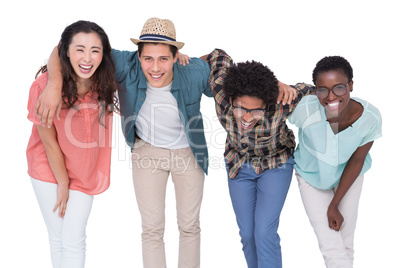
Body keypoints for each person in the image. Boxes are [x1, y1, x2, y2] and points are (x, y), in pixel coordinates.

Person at [34, 17, 212, 268]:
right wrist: (54, 83)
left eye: (164, 58)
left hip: (188, 153)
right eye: (148, 58)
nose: (155, 67)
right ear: (137, 56)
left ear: (175, 56)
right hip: (146, 152)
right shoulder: (124, 64)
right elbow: (63, 47)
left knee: (190, 226)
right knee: (151, 229)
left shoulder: (194, 71)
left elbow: (222, 67)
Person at [203, 49, 315, 268]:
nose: (246, 117)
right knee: (247, 234)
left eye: (255, 111)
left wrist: (282, 85)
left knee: (264, 231)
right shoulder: (220, 91)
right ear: (231, 98)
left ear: (266, 104)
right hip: (239, 165)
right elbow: (219, 55)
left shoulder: (282, 103)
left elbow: (312, 89)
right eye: (241, 108)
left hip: (275, 165)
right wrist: (182, 57)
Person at [26, 20, 118, 268]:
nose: (87, 57)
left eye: (95, 50)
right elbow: (49, 143)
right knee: (60, 238)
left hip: (85, 171)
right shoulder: (43, 87)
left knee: (73, 236)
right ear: (66, 51)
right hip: (48, 168)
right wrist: (63, 183)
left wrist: (178, 54)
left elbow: (152, 55)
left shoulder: (106, 78)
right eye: (79, 49)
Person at [288, 56, 382, 268]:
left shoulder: (370, 118)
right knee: (330, 243)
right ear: (316, 90)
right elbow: (274, 107)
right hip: (311, 176)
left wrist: (334, 204)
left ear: (350, 85)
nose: (331, 96)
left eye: (339, 87)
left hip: (349, 175)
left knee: (346, 240)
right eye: (323, 89)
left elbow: (357, 160)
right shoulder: (305, 109)